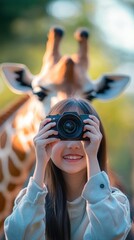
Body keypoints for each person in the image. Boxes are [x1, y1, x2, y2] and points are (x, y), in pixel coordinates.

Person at [4, 98, 132, 240]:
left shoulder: (116, 203)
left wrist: (92, 156)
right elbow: (18, 235)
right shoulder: (30, 201)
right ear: (47, 136)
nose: (72, 145)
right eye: (63, 132)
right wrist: (40, 162)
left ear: (97, 140)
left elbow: (109, 233)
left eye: (82, 132)